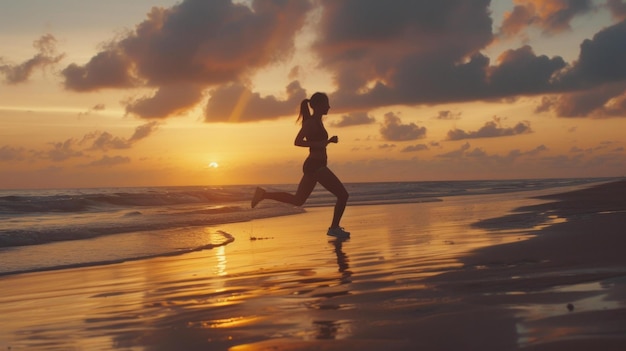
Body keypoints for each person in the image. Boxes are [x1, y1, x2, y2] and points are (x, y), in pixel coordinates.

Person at [251, 92, 350, 238]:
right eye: (326, 103)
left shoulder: (318, 121)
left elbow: (318, 143)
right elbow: (297, 141)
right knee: (343, 195)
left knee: (298, 200)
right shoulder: (310, 123)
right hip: (315, 166)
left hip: (316, 165)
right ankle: (334, 228)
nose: (329, 106)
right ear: (317, 105)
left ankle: (263, 194)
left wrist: (329, 141)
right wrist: (320, 143)